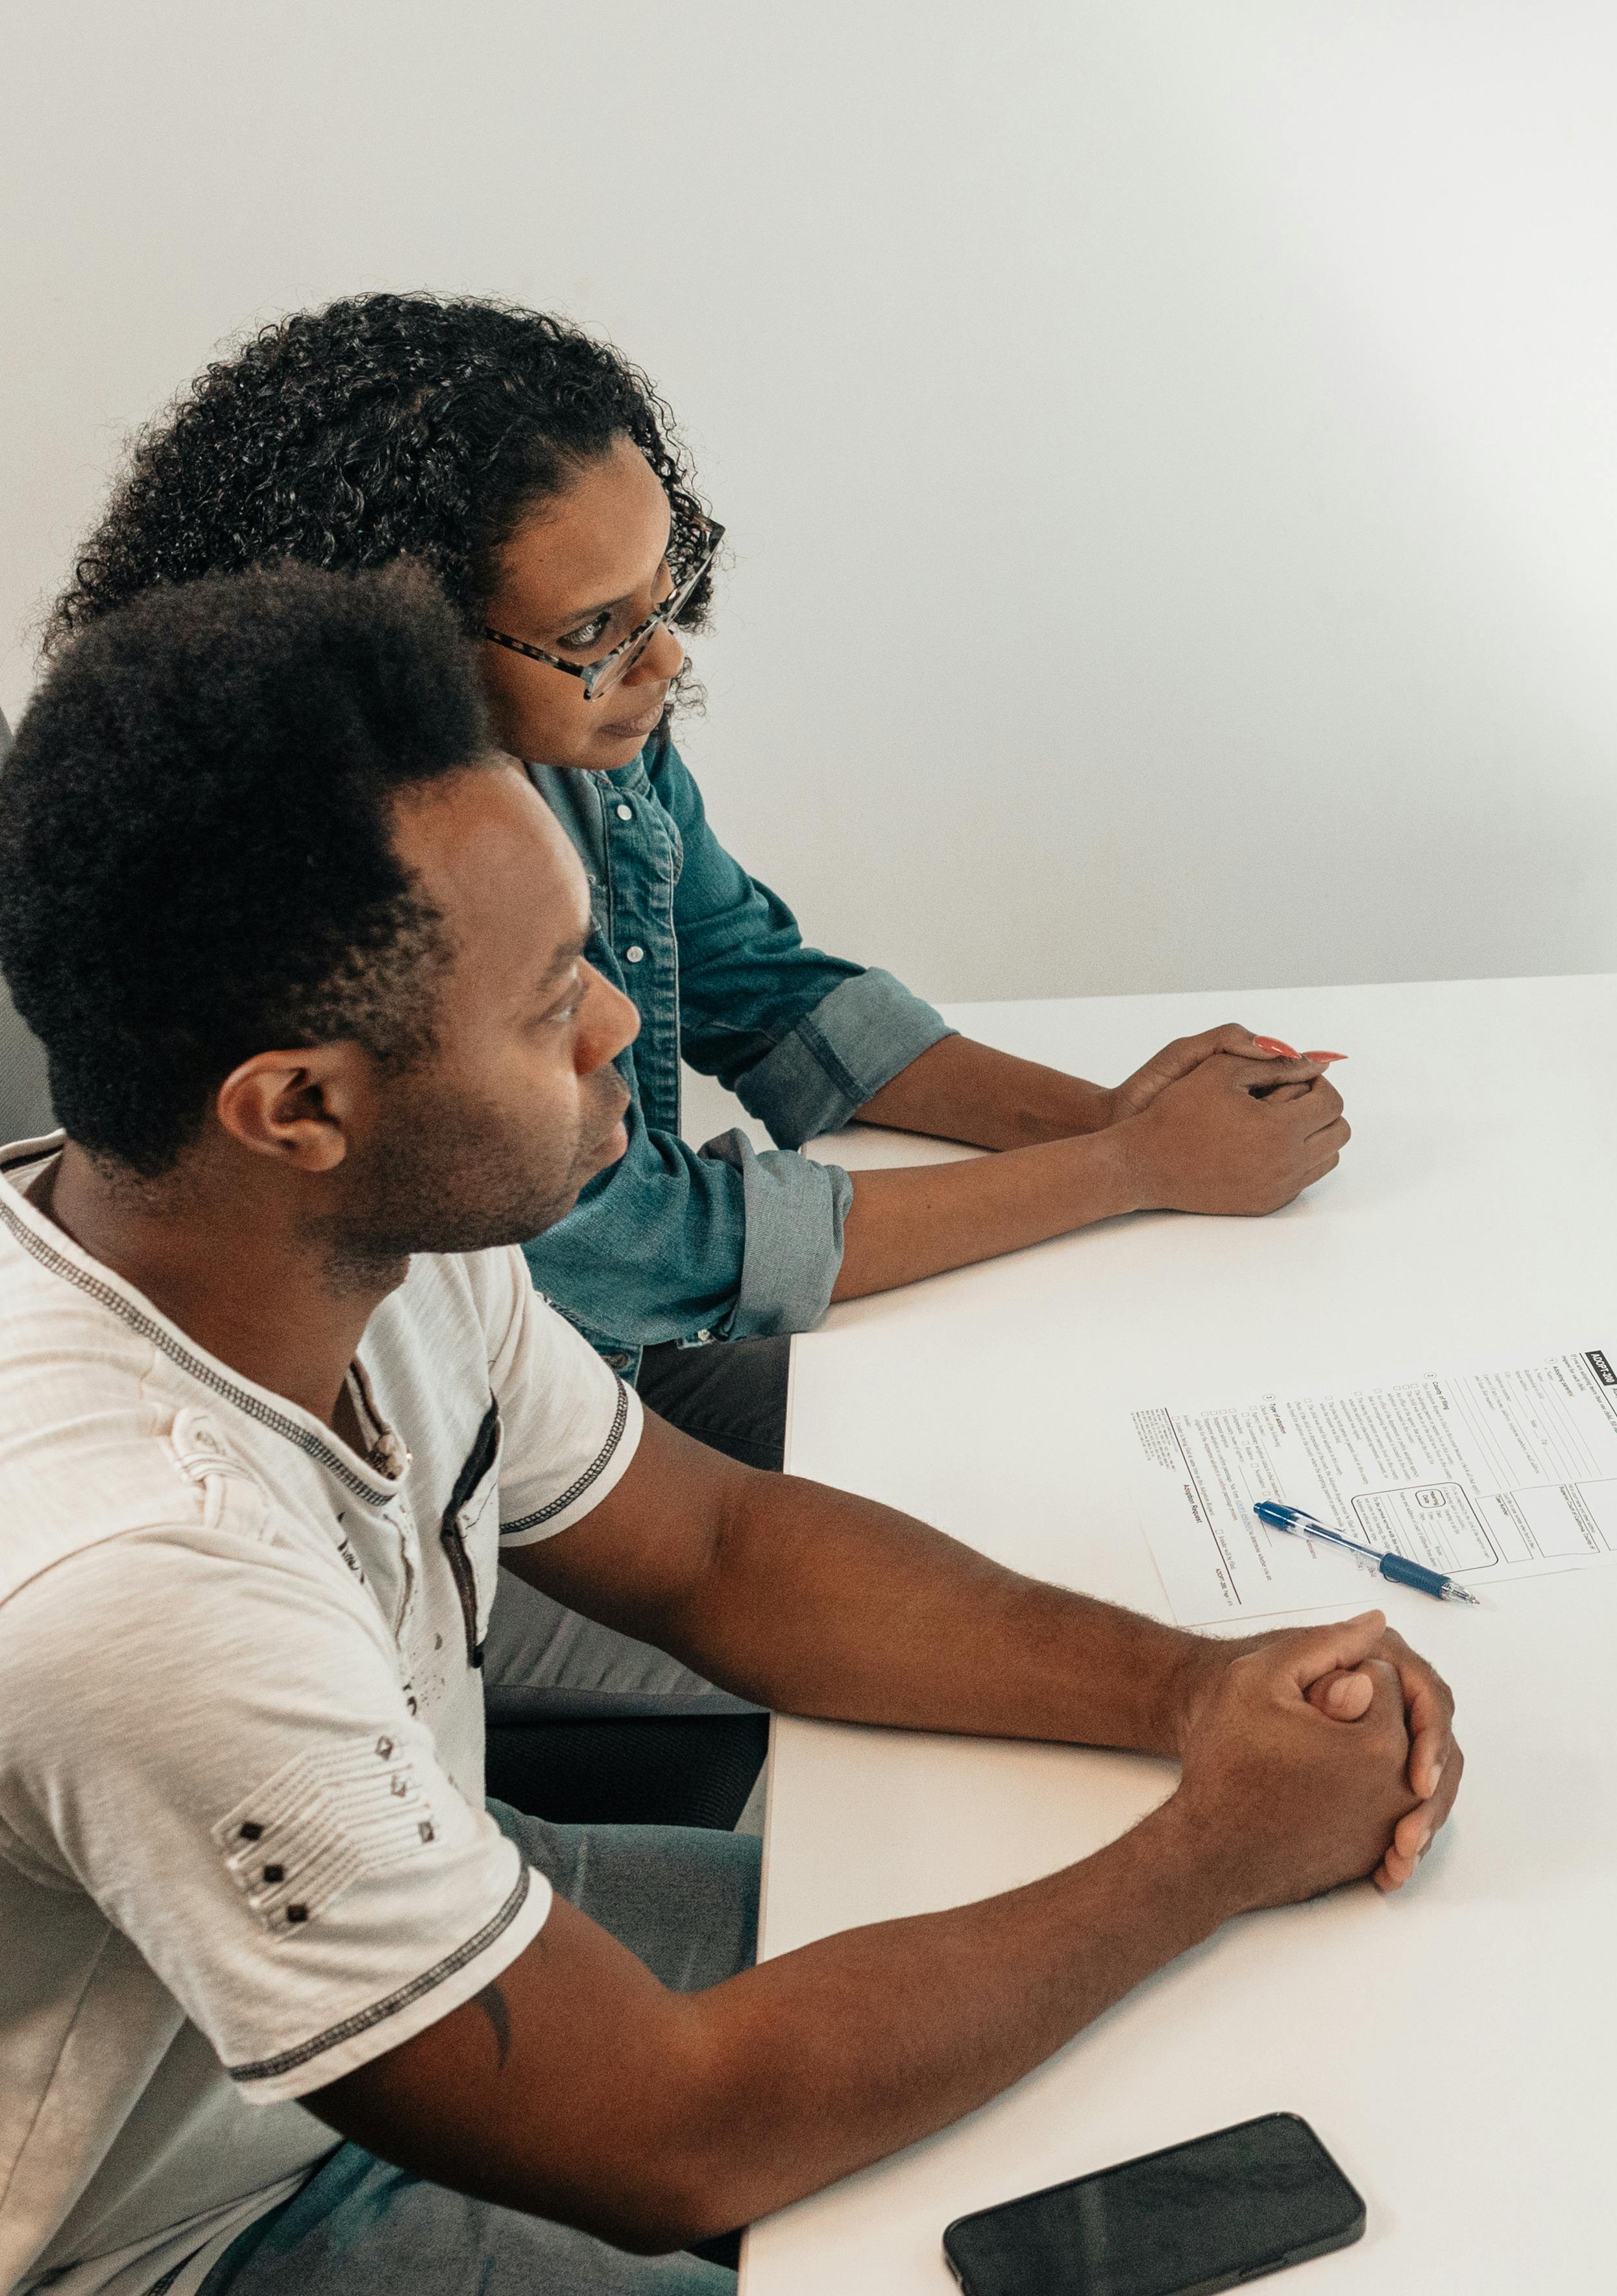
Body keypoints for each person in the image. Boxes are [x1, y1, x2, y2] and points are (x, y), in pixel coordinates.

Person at [0, 566, 1465, 2295]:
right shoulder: (136, 1580)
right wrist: (1212, 1842)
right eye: (552, 1002)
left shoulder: (363, 1249)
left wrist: (1192, 1691)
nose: (619, 1022)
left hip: (451, 1904)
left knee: (1171, 2030)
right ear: (300, 1107)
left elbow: (715, 1545)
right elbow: (668, 2132)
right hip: (183, 2224)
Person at [51, 291, 1348, 1717]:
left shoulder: (591, 747)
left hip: (589, 1402)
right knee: (962, 1639)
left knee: (1056, 1499)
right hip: (476, 1488)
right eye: (600, 626)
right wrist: (1123, 1169)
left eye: (670, 587)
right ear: (402, 631)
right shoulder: (309, 902)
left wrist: (1121, 1118)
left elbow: (759, 985)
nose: (668, 657)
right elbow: (644, 1239)